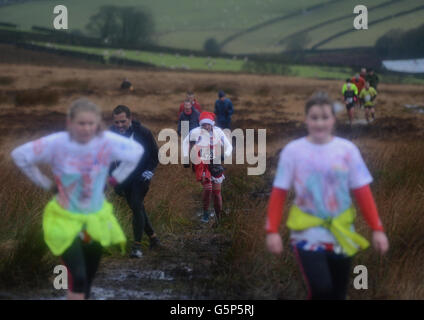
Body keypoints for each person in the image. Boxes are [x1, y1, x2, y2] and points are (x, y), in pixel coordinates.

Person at [11, 98, 144, 300]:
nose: (87, 128)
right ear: (70, 123)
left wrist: (114, 179)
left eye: (91, 124)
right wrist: (46, 184)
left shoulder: (106, 141)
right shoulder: (56, 143)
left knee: (88, 279)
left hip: (96, 219)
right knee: (79, 277)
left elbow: (137, 152)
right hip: (64, 219)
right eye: (81, 123)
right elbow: (20, 155)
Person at [265, 92, 389, 300]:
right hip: (306, 234)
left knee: (338, 293)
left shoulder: (347, 150)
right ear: (306, 119)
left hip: (342, 232)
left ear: (333, 120)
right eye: (314, 118)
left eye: (325, 117)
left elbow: (362, 192)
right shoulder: (293, 152)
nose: (319, 123)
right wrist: (272, 231)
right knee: (321, 289)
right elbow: (279, 193)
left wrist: (377, 229)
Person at [110, 105, 160, 258]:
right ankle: (153, 238)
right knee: (136, 207)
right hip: (124, 177)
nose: (119, 125)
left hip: (141, 176)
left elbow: (155, 154)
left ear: (130, 119)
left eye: (123, 122)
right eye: (117, 122)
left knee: (137, 204)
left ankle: (136, 247)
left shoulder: (143, 132)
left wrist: (149, 171)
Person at [182, 112, 232, 224]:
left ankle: (219, 217)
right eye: (203, 125)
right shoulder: (195, 132)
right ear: (201, 125)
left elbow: (229, 146)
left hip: (215, 163)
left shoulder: (218, 132)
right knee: (208, 188)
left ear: (212, 124)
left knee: (217, 193)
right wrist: (186, 158)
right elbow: (185, 142)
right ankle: (205, 213)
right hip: (201, 164)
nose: (206, 127)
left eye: (208, 124)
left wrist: (224, 156)